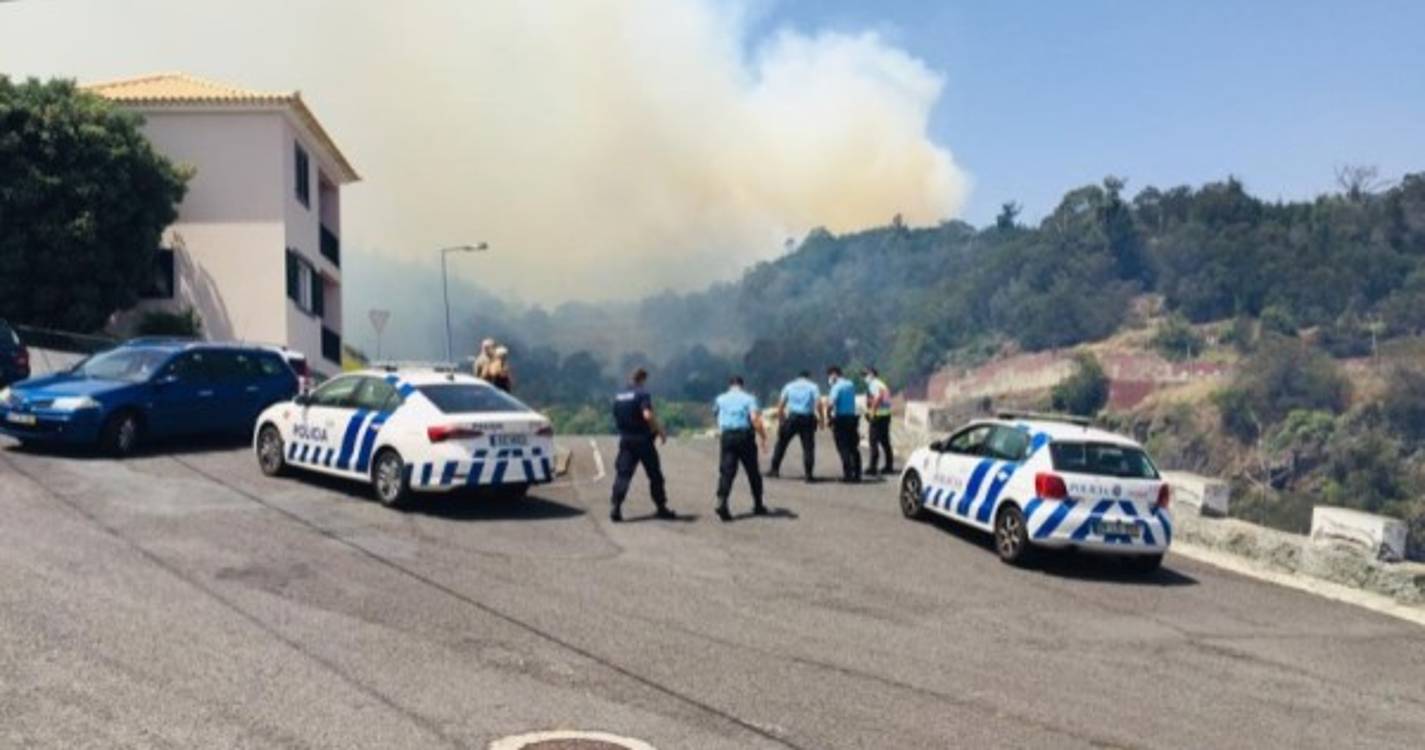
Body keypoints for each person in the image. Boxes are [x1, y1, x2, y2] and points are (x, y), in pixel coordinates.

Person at [609, 368, 676, 523]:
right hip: (643, 440)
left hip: (626, 439)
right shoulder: (642, 394)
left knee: (623, 474)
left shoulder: (619, 396)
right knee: (654, 475)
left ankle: (616, 507)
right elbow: (647, 415)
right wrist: (659, 431)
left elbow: (615, 414)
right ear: (643, 379)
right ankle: (661, 507)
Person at [713, 375, 768, 522]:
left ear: (730, 385)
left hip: (727, 436)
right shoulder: (749, 399)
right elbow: (754, 419)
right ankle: (758, 504)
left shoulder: (720, 399)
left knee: (727, 472)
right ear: (742, 385)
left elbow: (716, 413)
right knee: (752, 471)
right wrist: (763, 436)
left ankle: (722, 500)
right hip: (745, 436)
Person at [768, 370, 820, 482]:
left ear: (798, 377)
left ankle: (774, 469)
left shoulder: (789, 386)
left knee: (781, 444)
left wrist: (781, 421)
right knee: (808, 447)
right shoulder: (813, 387)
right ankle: (808, 474)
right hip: (807, 418)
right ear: (808, 377)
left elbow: (781, 405)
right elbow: (818, 403)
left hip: (792, 418)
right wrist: (821, 418)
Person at [824, 366, 861, 483]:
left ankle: (847, 475)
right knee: (853, 447)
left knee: (843, 448)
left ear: (834, 374)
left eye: (830, 376)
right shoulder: (850, 384)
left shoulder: (836, 387)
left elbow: (831, 403)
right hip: (852, 419)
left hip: (841, 419)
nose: (829, 379)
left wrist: (828, 417)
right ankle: (857, 474)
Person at [863, 366, 894, 475]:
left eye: (865, 375)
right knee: (885, 442)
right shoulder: (881, 384)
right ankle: (889, 466)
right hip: (886, 415)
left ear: (872, 374)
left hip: (878, 416)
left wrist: (872, 412)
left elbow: (879, 397)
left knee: (873, 442)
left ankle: (873, 467)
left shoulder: (874, 384)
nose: (864, 377)